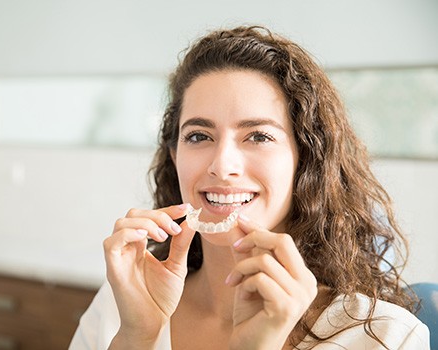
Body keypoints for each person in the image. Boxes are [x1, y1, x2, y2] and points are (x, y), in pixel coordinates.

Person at [69, 26, 430, 349]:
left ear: (305, 161)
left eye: (258, 136)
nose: (222, 166)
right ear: (174, 155)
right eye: (198, 135)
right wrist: (136, 339)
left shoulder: (384, 337)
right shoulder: (123, 305)